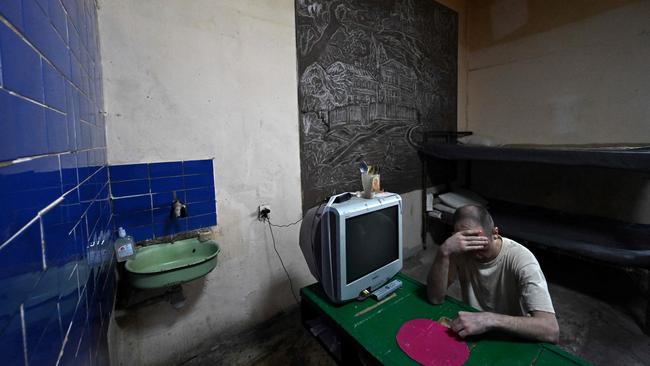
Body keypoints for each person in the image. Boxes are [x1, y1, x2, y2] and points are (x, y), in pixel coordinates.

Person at [426, 204, 560, 343]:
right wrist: (444, 252)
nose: (475, 253)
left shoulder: (521, 259)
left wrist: (489, 319)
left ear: (495, 233)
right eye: (470, 245)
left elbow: (551, 330)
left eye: (481, 244)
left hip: (511, 336)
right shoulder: (460, 250)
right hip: (473, 331)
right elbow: (435, 298)